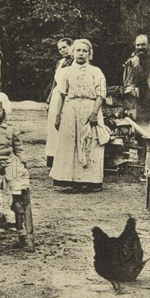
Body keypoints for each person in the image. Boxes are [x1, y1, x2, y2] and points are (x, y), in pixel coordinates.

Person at [49, 39, 110, 192]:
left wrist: (94, 113)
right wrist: (58, 116)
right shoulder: (67, 72)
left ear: (90, 54)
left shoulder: (96, 71)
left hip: (90, 109)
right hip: (71, 109)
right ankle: (72, 180)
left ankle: (92, 181)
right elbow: (62, 95)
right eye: (78, 50)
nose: (81, 53)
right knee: (71, 144)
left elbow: (101, 94)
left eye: (84, 51)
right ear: (73, 52)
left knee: (91, 142)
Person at [45, 38, 74, 167]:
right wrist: (49, 99)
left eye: (64, 47)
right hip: (57, 95)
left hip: (68, 95)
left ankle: (65, 158)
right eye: (60, 49)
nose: (62, 50)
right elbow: (54, 83)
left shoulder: (76, 62)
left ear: (71, 46)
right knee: (53, 126)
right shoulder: (60, 62)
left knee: (65, 124)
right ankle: (53, 157)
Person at [122, 35, 150, 127]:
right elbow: (125, 81)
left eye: (143, 45)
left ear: (148, 46)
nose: (140, 47)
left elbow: (147, 80)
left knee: (142, 129)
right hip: (130, 101)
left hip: (144, 103)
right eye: (138, 45)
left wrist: (137, 66)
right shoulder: (130, 61)